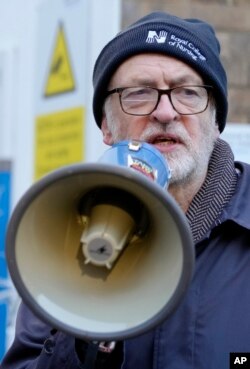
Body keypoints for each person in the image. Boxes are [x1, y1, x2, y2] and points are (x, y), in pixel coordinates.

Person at [1, 10, 250, 369]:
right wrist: (84, 334)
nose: (165, 112)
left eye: (188, 92)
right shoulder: (64, 236)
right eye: (139, 94)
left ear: (216, 121)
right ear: (106, 125)